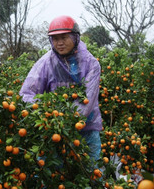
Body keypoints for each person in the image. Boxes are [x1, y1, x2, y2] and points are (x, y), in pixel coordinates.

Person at [19, 15, 102, 164]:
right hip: (53, 129)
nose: (60, 43)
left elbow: (87, 101)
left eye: (64, 37)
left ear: (75, 37)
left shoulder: (91, 64)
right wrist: (47, 110)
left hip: (86, 129)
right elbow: (26, 93)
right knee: (49, 172)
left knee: (91, 171)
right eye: (55, 39)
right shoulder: (45, 63)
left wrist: (66, 120)